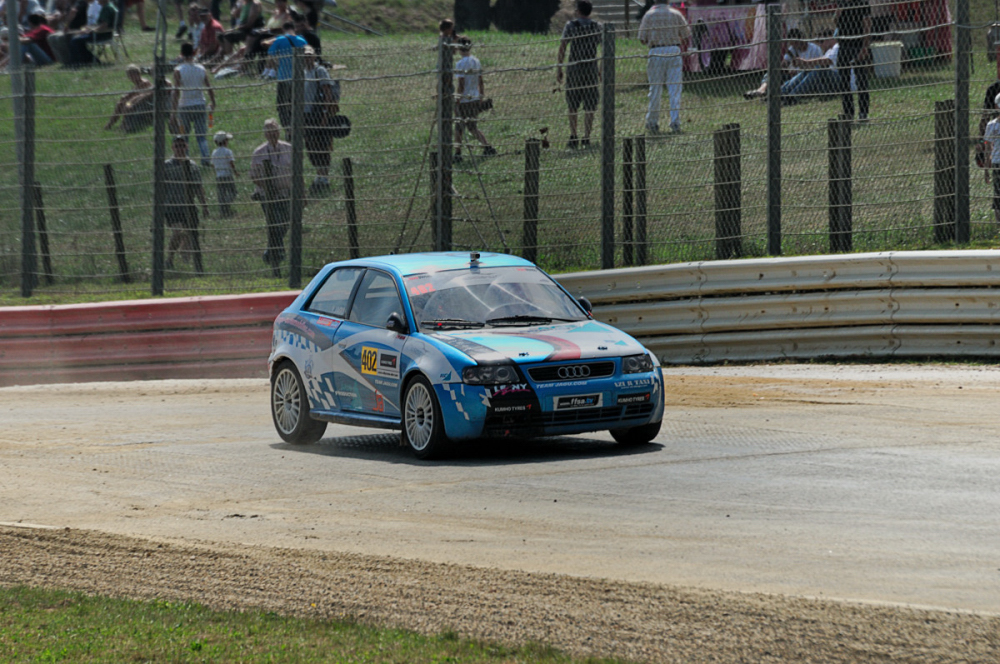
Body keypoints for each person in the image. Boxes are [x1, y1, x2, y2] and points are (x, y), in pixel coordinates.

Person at [637, 0, 690, 135]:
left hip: (656, 51)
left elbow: (642, 38)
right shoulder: (676, 14)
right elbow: (686, 35)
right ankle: (675, 121)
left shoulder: (649, 15)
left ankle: (652, 121)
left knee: (655, 89)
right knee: (674, 88)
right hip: (673, 49)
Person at [249, 118, 292, 276]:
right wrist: (268, 187)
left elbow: (297, 171)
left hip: (286, 194)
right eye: (269, 131)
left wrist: (302, 193)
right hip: (267, 196)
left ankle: (270, 250)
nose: (272, 134)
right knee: (274, 223)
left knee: (286, 223)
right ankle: (276, 255)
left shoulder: (289, 148)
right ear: (265, 134)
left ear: (279, 132)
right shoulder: (259, 152)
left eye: (274, 130)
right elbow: (254, 176)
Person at [556, 0, 600, 149]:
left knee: (572, 104)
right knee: (590, 105)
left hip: (574, 68)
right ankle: (586, 136)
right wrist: (600, 70)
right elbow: (603, 48)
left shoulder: (571, 26)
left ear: (579, 11)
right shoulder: (596, 27)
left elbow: (563, 46)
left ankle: (574, 135)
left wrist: (559, 68)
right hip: (591, 68)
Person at [163, 135, 209, 271]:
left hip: (189, 206)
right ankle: (169, 259)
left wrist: (204, 206)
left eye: (182, 145)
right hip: (172, 207)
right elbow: (161, 188)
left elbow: (199, 187)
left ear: (186, 147)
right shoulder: (166, 166)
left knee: (189, 234)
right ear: (172, 147)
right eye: (177, 146)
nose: (180, 148)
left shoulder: (193, 166)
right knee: (177, 232)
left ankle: (186, 264)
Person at [743, 29, 822, 100]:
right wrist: (784, 66)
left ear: (802, 39)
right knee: (773, 72)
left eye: (796, 43)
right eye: (792, 44)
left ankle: (778, 95)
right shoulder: (793, 49)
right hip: (793, 76)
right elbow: (784, 63)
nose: (795, 46)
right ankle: (761, 89)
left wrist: (801, 67)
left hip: (805, 77)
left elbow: (818, 68)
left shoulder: (815, 49)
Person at [302, 45, 339, 196]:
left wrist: (325, 114)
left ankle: (324, 176)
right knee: (311, 145)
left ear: (314, 56)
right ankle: (319, 173)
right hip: (306, 115)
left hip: (319, 113)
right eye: (304, 55)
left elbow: (327, 92)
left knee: (322, 144)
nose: (307, 57)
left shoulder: (320, 71)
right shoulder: (303, 72)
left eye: (309, 54)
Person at [172, 41, 216, 164]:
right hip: (200, 104)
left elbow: (176, 92)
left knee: (184, 135)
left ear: (181, 54)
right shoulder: (201, 68)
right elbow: (209, 87)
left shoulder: (178, 70)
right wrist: (213, 102)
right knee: (201, 136)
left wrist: (173, 112)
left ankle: (185, 159)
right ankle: (205, 158)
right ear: (194, 52)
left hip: (184, 106)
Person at [453, 36, 496, 163]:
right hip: (475, 97)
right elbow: (480, 80)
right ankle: (487, 147)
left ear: (459, 48)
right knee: (472, 127)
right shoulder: (476, 61)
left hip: (464, 100)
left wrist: (457, 99)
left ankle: (457, 153)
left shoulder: (460, 64)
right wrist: (481, 96)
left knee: (459, 128)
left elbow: (461, 84)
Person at [779, 32, 843, 103]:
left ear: (830, 38)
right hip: (825, 82)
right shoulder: (829, 51)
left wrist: (805, 62)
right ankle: (782, 92)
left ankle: (792, 96)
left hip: (839, 80)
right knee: (809, 71)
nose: (820, 44)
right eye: (819, 42)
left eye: (822, 41)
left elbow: (826, 61)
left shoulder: (837, 47)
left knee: (818, 69)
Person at [835, 0, 871, 123]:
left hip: (858, 45)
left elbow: (867, 25)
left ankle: (863, 112)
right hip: (844, 45)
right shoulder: (842, 3)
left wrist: (865, 47)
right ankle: (848, 113)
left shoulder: (862, 2)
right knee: (844, 81)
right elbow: (836, 22)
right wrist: (837, 14)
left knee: (861, 80)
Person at [266, 20, 306, 129]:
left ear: (283, 29)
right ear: (294, 28)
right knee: (295, 103)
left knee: (282, 104)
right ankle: (296, 124)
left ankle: (286, 125)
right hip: (298, 76)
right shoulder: (302, 40)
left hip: (283, 76)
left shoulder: (280, 40)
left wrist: (276, 64)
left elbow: (271, 53)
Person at [66, 0, 115, 66]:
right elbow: (100, 24)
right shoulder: (108, 6)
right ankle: (88, 61)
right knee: (76, 40)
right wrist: (89, 28)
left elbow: (104, 25)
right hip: (102, 33)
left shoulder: (107, 8)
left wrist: (92, 30)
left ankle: (76, 63)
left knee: (75, 41)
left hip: (102, 35)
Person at [105, 63, 152, 130]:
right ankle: (111, 123)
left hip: (144, 103)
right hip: (136, 102)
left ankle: (124, 124)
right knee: (120, 104)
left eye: (133, 75)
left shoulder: (144, 83)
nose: (131, 78)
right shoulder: (137, 84)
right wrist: (124, 98)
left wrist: (126, 98)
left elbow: (135, 94)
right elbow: (130, 95)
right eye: (129, 76)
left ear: (138, 74)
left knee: (126, 105)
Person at [211, 130, 238, 217]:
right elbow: (231, 163)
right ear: (225, 141)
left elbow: (213, 164)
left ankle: (222, 208)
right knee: (233, 192)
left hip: (219, 176)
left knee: (221, 194)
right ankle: (227, 203)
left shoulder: (214, 152)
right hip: (227, 175)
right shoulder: (227, 151)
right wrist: (235, 172)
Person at [984, 94, 1000, 223]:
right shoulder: (991, 125)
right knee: (998, 193)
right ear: (996, 107)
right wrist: (986, 169)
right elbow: (988, 147)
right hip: (997, 163)